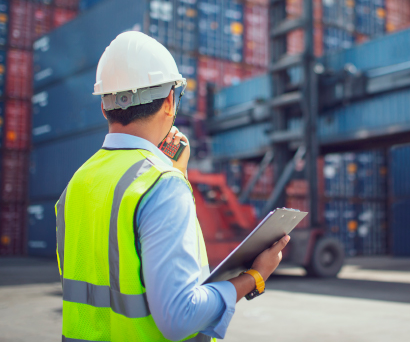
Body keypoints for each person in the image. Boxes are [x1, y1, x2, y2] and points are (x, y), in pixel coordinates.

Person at [56, 31, 289, 342]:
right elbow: (180, 318)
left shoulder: (77, 184)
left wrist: (174, 172)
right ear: (169, 101)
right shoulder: (161, 185)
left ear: (104, 106)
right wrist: (254, 277)